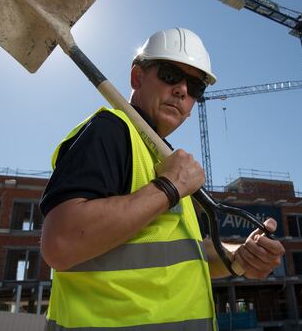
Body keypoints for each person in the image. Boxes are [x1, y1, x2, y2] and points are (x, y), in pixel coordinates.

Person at [39, 27, 285, 331]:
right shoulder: (110, 132)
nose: (182, 90)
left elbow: (189, 256)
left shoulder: (165, 158)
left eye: (195, 86)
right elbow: (60, 244)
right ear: (137, 78)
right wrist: (168, 187)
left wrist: (240, 258)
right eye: (170, 75)